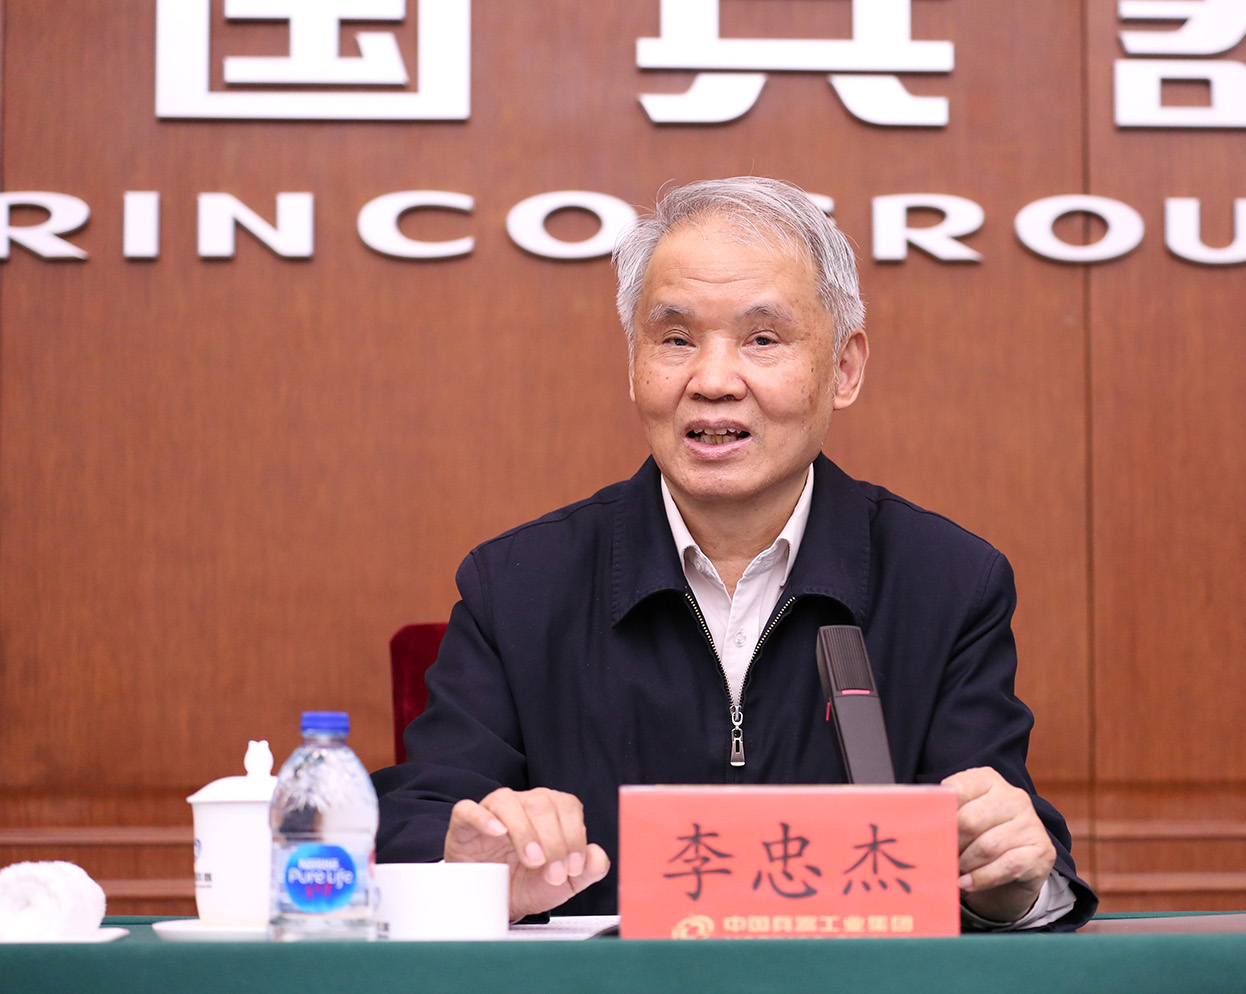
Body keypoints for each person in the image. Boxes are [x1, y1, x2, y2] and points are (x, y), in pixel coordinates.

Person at [372, 176, 1098, 930]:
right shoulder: (518, 586)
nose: (713, 382)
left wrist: (1008, 882)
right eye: (676, 340)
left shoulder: (947, 582)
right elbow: (420, 818)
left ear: (844, 369)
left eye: (762, 339)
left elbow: (1004, 856)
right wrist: (471, 865)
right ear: (633, 364)